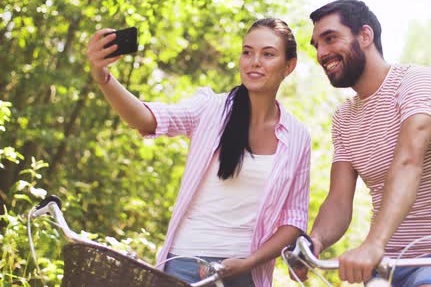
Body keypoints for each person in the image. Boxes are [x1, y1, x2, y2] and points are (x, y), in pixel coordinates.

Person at [86, 18, 311, 287]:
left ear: (289, 66)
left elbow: (294, 220)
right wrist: (103, 78)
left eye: (268, 54)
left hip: (245, 273)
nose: (254, 62)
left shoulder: (298, 137)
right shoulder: (211, 109)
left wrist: (250, 262)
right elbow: (147, 119)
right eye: (247, 52)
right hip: (183, 264)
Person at [298, 0, 431, 287]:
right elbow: (339, 200)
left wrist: (372, 243)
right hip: (383, 266)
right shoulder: (344, 117)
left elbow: (408, 162)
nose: (321, 53)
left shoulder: (415, 82)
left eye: (330, 39)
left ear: (365, 36)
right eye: (316, 45)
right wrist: (315, 240)